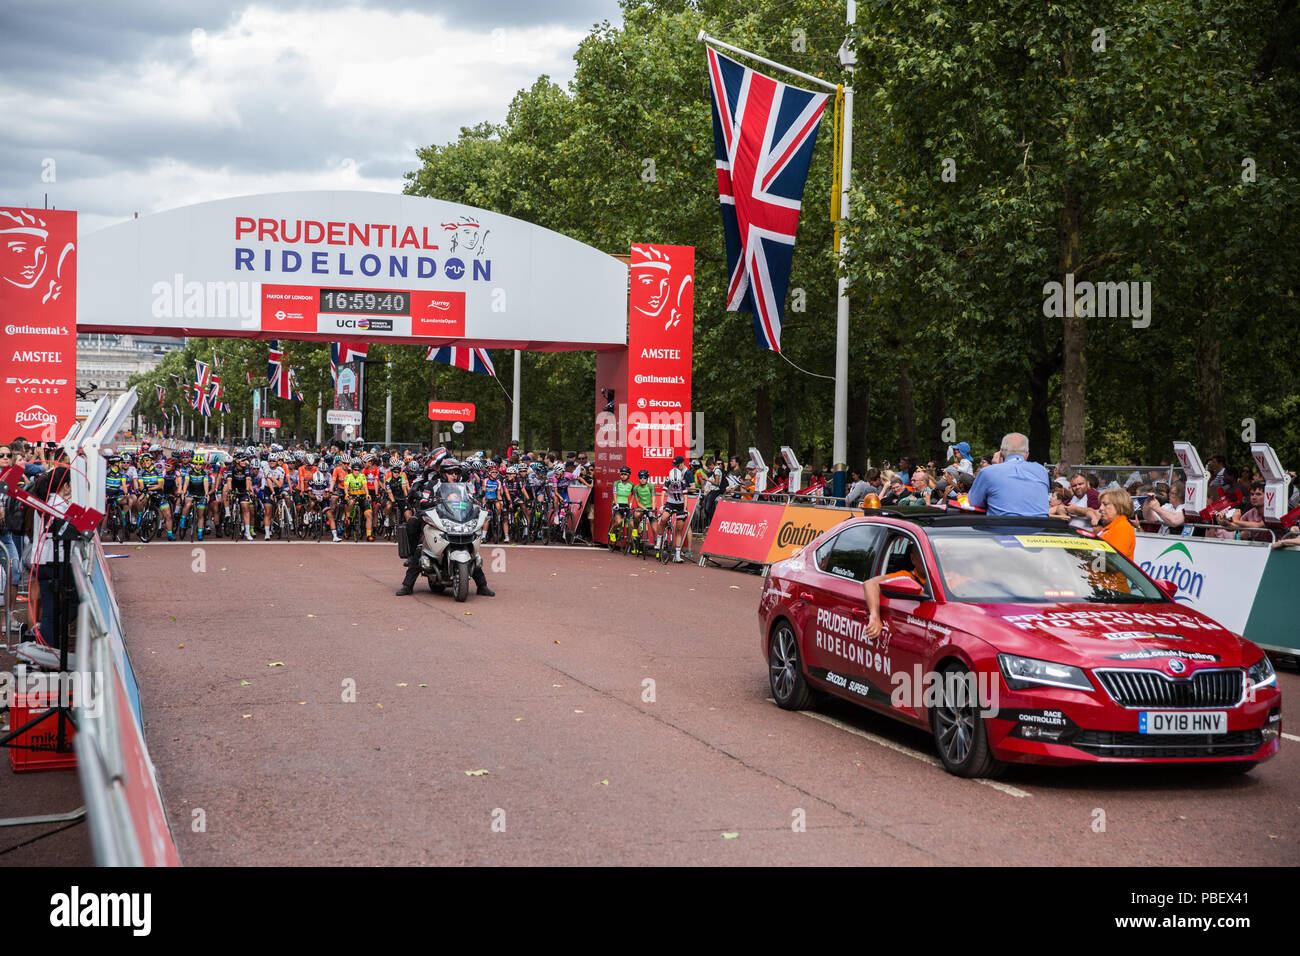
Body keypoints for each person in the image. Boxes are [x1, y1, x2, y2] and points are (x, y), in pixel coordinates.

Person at [396, 459, 494, 597]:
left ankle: (482, 586)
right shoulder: (434, 484)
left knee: (470, 549)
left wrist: (479, 505)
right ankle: (407, 586)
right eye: (451, 473)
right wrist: (433, 501)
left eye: (457, 473)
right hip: (438, 521)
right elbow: (424, 500)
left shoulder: (462, 487)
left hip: (458, 520)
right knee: (421, 549)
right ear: (443, 473)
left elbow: (471, 499)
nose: (454, 475)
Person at [965, 432, 1050, 516]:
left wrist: (995, 466)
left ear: (1001, 452)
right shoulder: (1042, 471)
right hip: (1038, 528)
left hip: (998, 528)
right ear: (1027, 455)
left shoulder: (987, 472)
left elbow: (974, 502)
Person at [1090, 488, 1137, 560]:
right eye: (1101, 504)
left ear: (1118, 506)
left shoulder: (1122, 527)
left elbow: (1114, 561)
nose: (1100, 508)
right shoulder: (1114, 526)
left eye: (1105, 504)